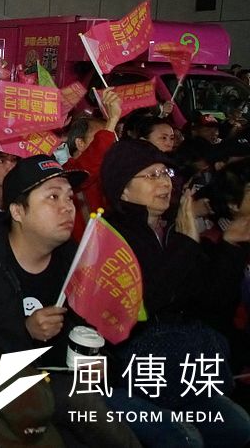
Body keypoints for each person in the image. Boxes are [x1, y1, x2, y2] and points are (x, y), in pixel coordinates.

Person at [0, 155, 138, 447]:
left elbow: (100, 330)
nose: (67, 206)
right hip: (1, 406)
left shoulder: (77, 263)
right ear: (17, 211)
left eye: (69, 196)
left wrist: (100, 362)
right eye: (52, 196)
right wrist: (22, 331)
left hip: (72, 391)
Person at [99, 139, 250, 446]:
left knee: (238, 426)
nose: (164, 182)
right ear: (123, 190)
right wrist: (186, 244)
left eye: (165, 172)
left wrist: (230, 246)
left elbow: (210, 303)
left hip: (183, 366)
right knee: (186, 440)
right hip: (134, 371)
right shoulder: (108, 236)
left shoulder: (172, 228)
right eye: (151, 175)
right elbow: (142, 305)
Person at [63, 87, 122, 239]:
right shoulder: (67, 172)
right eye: (100, 136)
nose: (109, 141)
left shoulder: (108, 171)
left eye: (110, 136)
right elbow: (86, 172)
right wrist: (112, 120)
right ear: (80, 143)